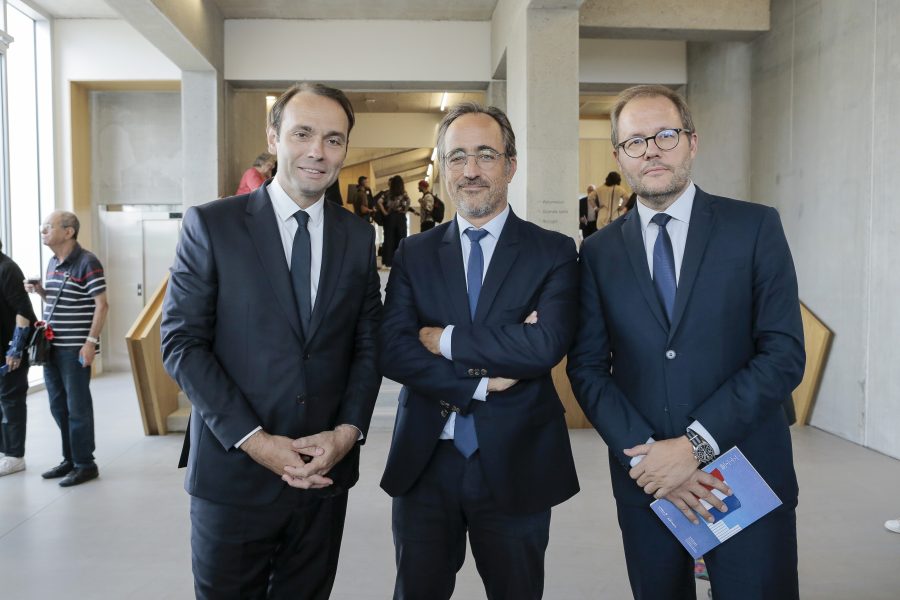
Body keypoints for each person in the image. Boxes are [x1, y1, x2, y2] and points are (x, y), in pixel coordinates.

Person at [567, 84, 805, 599]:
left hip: (746, 468)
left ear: (692, 142)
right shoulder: (599, 252)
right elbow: (587, 368)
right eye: (635, 141)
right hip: (648, 482)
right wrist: (650, 459)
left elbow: (783, 354)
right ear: (619, 156)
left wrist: (694, 446)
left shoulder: (754, 227)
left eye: (666, 135)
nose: (651, 150)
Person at [161, 82, 382, 600]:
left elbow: (368, 343)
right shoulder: (212, 225)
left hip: (323, 472)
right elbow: (182, 343)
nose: (317, 151)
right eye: (302, 134)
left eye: (333, 139)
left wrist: (347, 432)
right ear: (273, 137)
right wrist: (256, 442)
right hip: (234, 472)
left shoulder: (356, 236)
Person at [379, 102, 580, 600]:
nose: (470, 170)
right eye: (458, 157)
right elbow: (394, 350)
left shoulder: (552, 251)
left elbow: (544, 345)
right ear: (444, 168)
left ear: (510, 165)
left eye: (486, 155)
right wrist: (481, 383)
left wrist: (441, 339)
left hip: (517, 458)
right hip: (426, 459)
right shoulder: (414, 253)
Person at [25, 210, 108, 487]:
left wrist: (90, 343)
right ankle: (70, 459)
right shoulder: (52, 262)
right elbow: (58, 301)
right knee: (58, 406)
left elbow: (102, 305)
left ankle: (86, 464)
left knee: (77, 407)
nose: (43, 231)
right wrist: (41, 291)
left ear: (68, 231)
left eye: (48, 227)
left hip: (75, 350)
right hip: (51, 347)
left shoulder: (88, 262)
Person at [0, 241, 36, 477]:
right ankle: (4, 451)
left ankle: (15, 456)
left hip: (10, 350)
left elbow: (23, 311)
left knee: (11, 400)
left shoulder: (7, 269)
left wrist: (15, 349)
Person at [377, 175, 410, 268]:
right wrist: (405, 211)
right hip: (400, 217)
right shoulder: (404, 193)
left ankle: (388, 262)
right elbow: (408, 201)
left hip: (390, 217)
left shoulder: (387, 193)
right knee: (401, 238)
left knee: (389, 239)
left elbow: (379, 202)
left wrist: (385, 212)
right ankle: (400, 262)